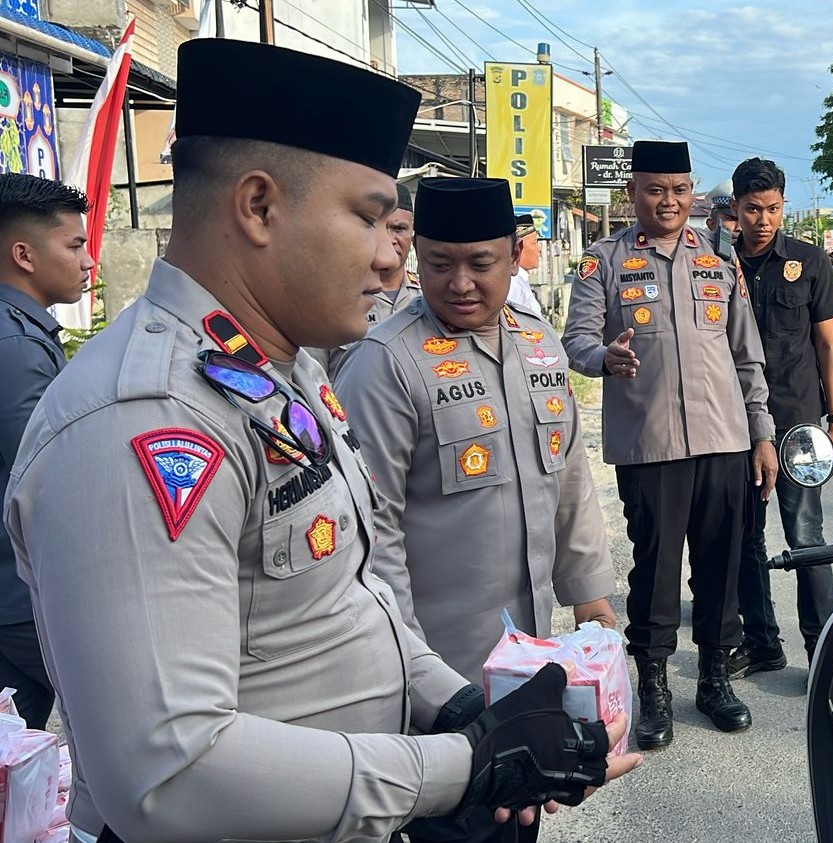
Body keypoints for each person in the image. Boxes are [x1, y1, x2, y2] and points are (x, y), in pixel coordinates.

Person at [2, 40, 637, 843]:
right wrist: (465, 764)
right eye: (368, 217)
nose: (390, 255)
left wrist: (464, 708)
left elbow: (355, 596)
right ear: (259, 206)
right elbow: (167, 771)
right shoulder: (144, 418)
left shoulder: (279, 369)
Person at [336, 176, 618, 843]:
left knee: (520, 818)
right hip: (438, 672)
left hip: (528, 658)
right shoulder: (386, 363)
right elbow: (373, 537)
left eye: (480, 263)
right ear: (416, 255)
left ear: (514, 254)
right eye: (439, 264)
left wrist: (589, 592)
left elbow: (568, 476)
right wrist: (415, 676)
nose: (459, 282)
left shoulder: (539, 343)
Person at [562, 140, 778, 751]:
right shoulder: (604, 262)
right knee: (655, 571)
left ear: (692, 193)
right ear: (633, 192)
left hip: (723, 440)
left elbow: (746, 355)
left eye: (680, 190)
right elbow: (576, 340)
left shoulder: (719, 259)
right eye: (656, 190)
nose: (669, 201)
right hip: (650, 445)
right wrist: (603, 357)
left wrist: (762, 433)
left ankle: (714, 679)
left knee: (721, 565)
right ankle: (653, 686)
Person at [724, 157, 833, 674]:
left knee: (806, 535)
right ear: (736, 208)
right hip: (733, 421)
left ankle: (824, 652)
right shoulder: (715, 262)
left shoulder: (809, 261)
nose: (763, 220)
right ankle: (762, 643)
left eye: (772, 208)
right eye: (753, 209)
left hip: (798, 421)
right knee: (744, 536)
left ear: (783, 206)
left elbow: (827, 346)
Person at [0, 174, 92, 731]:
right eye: (74, 245)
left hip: (13, 590)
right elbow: (47, 475)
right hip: (19, 592)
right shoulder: (16, 344)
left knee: (17, 744)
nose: (87, 260)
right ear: (24, 255)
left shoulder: (20, 332)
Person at [319, 182, 421, 376]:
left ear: (412, 235)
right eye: (378, 228)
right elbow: (311, 378)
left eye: (399, 229)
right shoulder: (333, 299)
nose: (390, 239)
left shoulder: (428, 297)